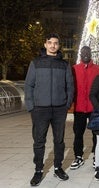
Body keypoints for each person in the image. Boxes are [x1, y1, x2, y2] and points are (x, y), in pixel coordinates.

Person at [24, 33, 74, 186]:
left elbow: (70, 86)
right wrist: (31, 107)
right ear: (45, 44)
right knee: (39, 141)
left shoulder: (64, 65)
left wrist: (66, 105)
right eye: (50, 43)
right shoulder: (36, 62)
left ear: (59, 46)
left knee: (59, 141)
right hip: (40, 109)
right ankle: (38, 170)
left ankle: (58, 167)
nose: (53, 45)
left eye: (56, 43)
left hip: (59, 109)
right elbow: (29, 85)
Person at [70, 46, 99, 170]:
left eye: (87, 52)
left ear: (90, 53)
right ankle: (78, 156)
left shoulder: (98, 69)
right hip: (79, 107)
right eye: (83, 52)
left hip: (93, 107)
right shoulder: (74, 69)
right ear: (80, 54)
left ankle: (96, 155)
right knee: (78, 133)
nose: (85, 54)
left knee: (96, 133)